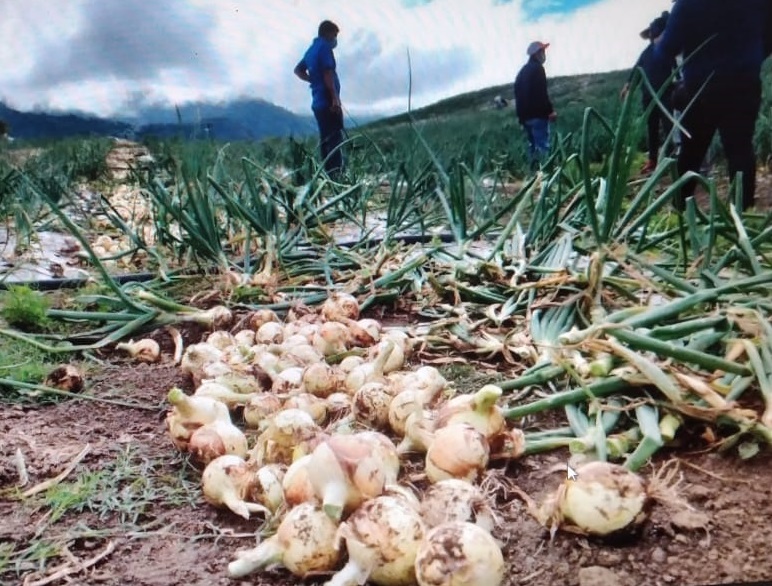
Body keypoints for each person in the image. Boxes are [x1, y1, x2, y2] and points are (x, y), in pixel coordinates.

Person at [655, 0, 768, 211]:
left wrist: (660, 46)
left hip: (701, 88)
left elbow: (665, 51)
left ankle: (679, 212)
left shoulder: (687, 4)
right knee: (740, 149)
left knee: (691, 152)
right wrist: (752, 59)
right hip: (744, 82)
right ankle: (742, 216)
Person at [620, 12, 677, 175]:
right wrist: (628, 85)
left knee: (668, 128)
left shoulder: (669, 50)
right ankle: (653, 161)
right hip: (649, 97)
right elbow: (637, 70)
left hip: (666, 95)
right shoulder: (647, 52)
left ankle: (670, 160)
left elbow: (678, 71)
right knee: (651, 128)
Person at [294, 20, 344, 178]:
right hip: (328, 100)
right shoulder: (324, 48)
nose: (335, 39)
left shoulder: (311, 50)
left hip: (317, 102)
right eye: (335, 35)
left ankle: (328, 173)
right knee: (335, 138)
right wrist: (334, 98)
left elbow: (298, 70)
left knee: (325, 138)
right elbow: (327, 73)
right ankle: (337, 175)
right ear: (328, 33)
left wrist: (312, 80)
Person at [514, 41, 557, 171]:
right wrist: (550, 111)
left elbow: (518, 96)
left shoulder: (522, 72)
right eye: (542, 52)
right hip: (538, 116)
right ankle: (546, 177)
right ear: (537, 54)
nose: (544, 55)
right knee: (543, 146)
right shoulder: (538, 69)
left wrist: (521, 119)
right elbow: (541, 93)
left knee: (532, 147)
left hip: (526, 118)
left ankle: (533, 175)